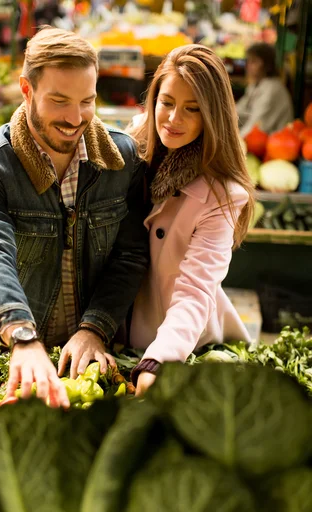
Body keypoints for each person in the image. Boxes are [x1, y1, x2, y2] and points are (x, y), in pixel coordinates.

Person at [0, 26, 149, 408]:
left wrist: (95, 328)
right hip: (14, 356)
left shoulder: (122, 161)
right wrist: (24, 338)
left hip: (95, 354)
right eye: (59, 100)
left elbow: (130, 256)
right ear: (27, 90)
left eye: (87, 101)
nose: (76, 118)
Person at [127, 44, 255, 396]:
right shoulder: (129, 150)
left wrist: (159, 359)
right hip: (113, 335)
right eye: (166, 103)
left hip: (177, 348)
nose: (173, 119)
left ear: (212, 116)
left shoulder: (222, 194)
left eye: (192, 109)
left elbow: (196, 290)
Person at [236, 42, 294, 138]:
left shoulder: (273, 89)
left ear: (267, 64)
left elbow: (256, 126)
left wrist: (233, 144)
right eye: (248, 61)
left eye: (254, 61)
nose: (248, 66)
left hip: (275, 145)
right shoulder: (256, 86)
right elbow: (238, 113)